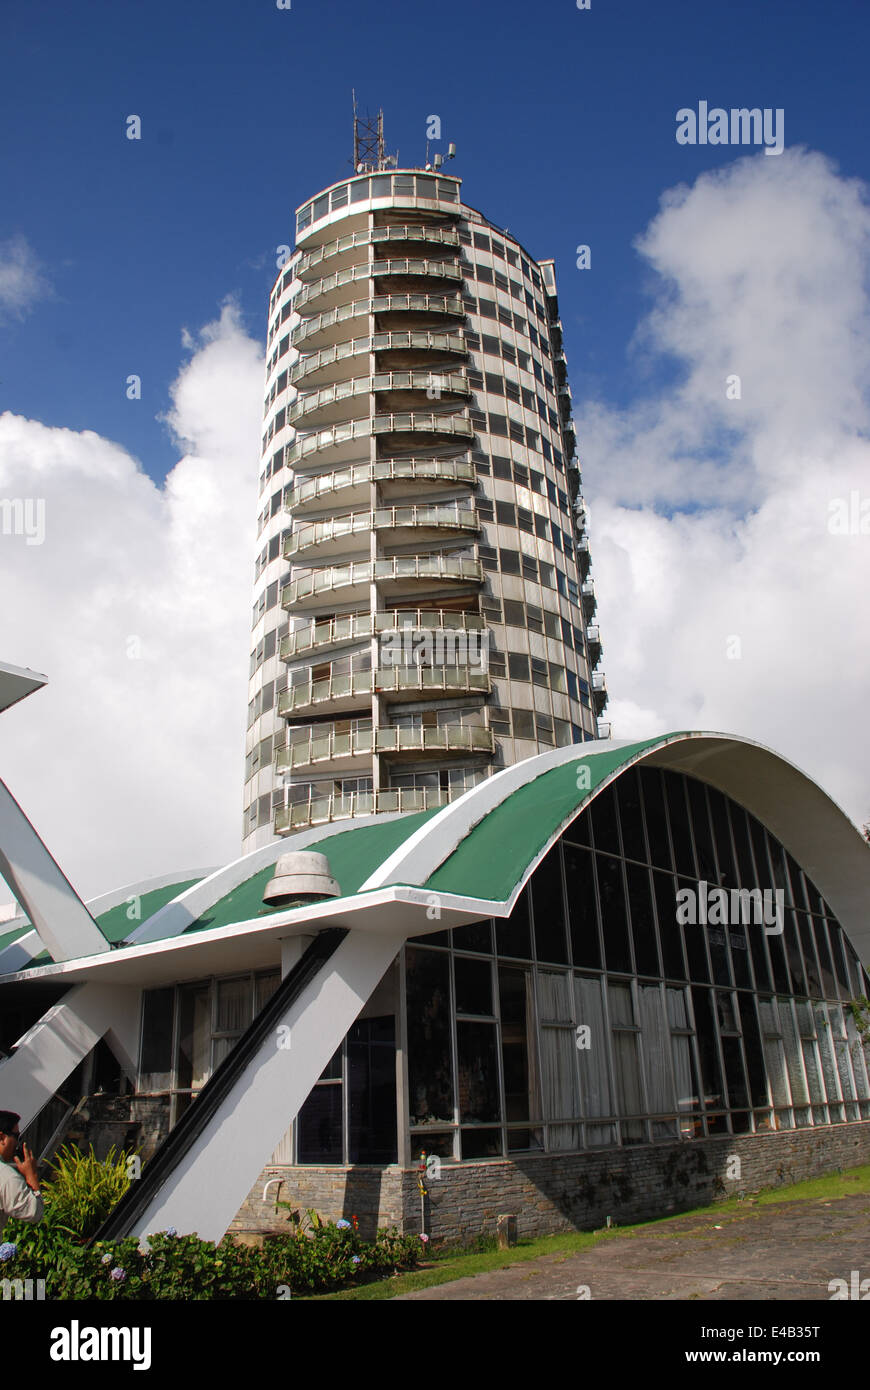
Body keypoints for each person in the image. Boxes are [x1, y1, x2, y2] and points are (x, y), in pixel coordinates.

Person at [0, 1110, 44, 1236]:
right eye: (16, 1136)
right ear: (2, 1137)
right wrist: (32, 1176)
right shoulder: (6, 1177)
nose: (18, 1144)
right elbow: (34, 1212)